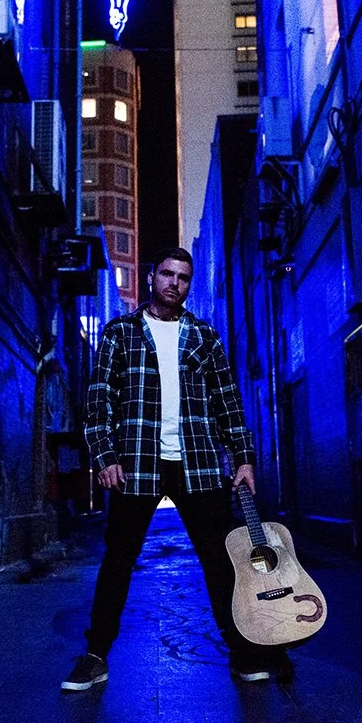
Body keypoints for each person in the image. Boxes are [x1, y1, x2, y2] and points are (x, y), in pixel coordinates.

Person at [62, 248, 289, 691]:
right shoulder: (120, 333)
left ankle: (243, 651)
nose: (174, 283)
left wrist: (243, 457)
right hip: (137, 464)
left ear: (189, 284)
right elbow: (98, 401)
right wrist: (105, 457)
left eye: (183, 277)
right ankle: (94, 656)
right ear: (151, 278)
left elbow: (228, 402)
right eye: (166, 274)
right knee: (118, 560)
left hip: (199, 463)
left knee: (221, 562)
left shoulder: (205, 336)